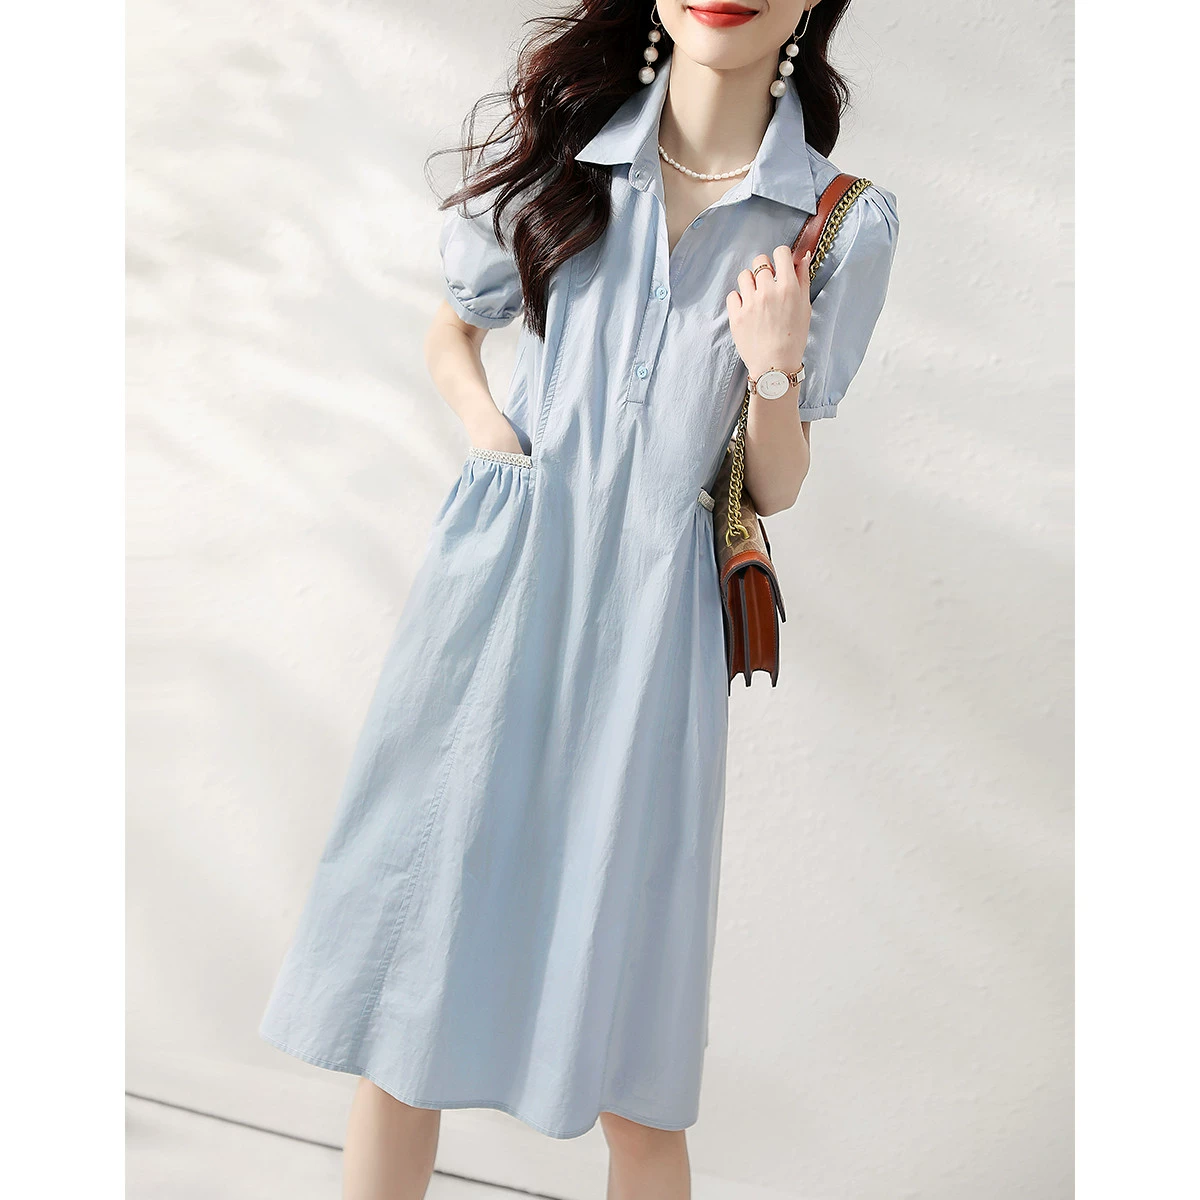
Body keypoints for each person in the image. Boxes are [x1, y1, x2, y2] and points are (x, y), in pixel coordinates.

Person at [259, 2, 899, 1196]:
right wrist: (492, 435)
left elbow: (775, 484)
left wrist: (773, 364)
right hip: (495, 601)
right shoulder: (572, 152)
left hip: (652, 643)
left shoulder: (836, 220)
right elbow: (454, 330)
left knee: (634, 1063)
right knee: (409, 1008)